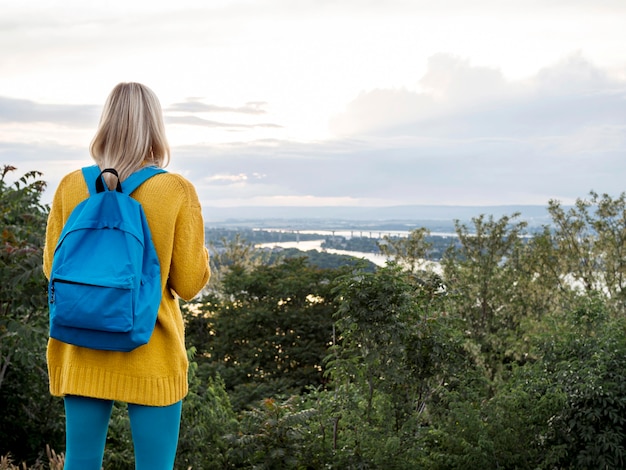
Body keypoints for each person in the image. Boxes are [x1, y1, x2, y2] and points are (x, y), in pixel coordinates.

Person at [43, 82, 211, 470]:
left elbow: (53, 269)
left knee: (81, 462)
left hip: (80, 343)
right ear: (155, 127)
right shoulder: (174, 190)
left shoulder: (71, 185)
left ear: (105, 124)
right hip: (149, 350)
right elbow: (188, 284)